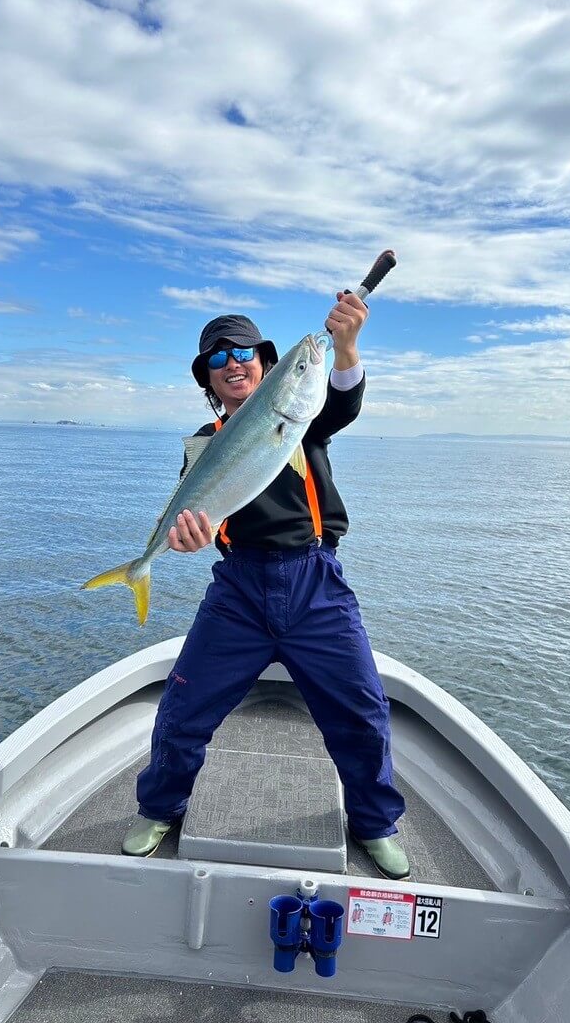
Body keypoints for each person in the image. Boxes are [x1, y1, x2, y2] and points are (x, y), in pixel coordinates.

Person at [121, 291, 410, 880]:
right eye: (220, 356)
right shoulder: (203, 443)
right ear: (208, 376)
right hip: (239, 590)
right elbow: (196, 512)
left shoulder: (302, 416)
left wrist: (346, 345)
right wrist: (184, 538)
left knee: (361, 710)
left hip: (315, 583)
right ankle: (160, 808)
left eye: (246, 352)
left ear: (264, 363)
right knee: (182, 708)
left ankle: (375, 822)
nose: (234, 362)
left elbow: (342, 403)